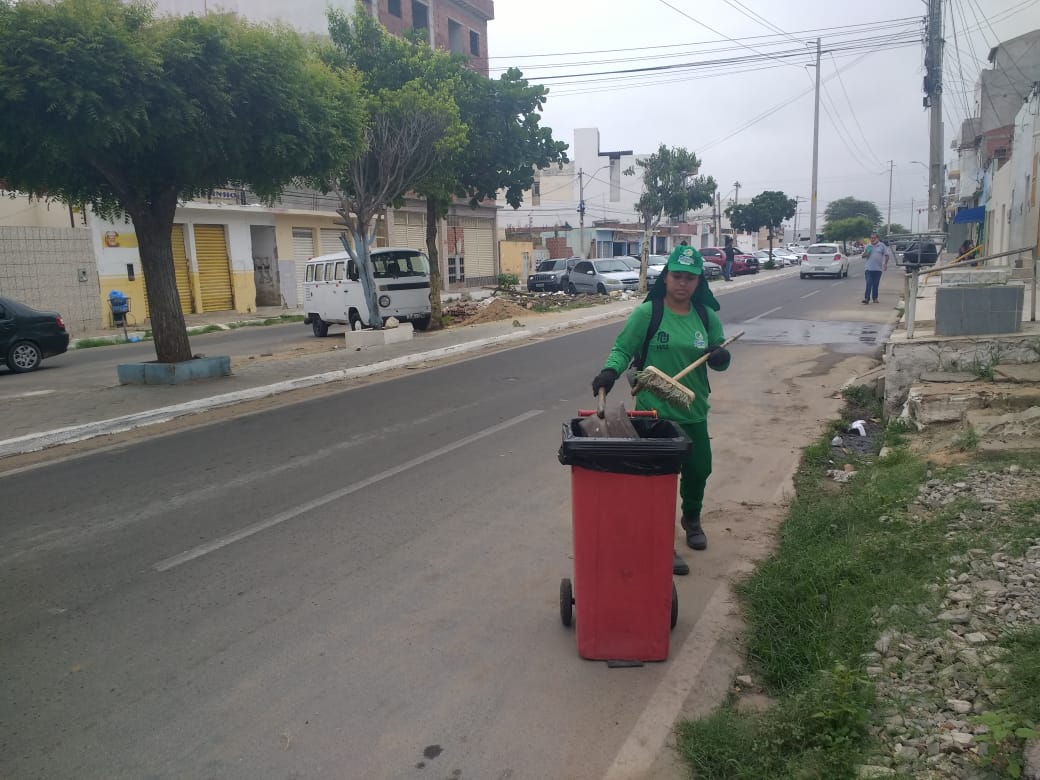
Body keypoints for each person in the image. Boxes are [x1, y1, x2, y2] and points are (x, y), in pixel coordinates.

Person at [590, 245, 731, 576]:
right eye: (677, 276)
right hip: (654, 414)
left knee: (699, 470)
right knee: (659, 481)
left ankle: (691, 518)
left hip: (693, 409)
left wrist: (721, 357)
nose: (683, 283)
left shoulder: (705, 316)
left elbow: (720, 356)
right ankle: (661, 541)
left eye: (690, 278)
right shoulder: (647, 314)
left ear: (698, 282)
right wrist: (610, 372)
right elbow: (623, 348)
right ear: (666, 277)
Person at [862, 232, 889, 304]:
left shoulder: (882, 246)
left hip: (878, 269)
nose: (872, 239)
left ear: (877, 238)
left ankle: (875, 298)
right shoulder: (868, 246)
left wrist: (885, 264)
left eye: (874, 238)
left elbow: (886, 255)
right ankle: (867, 298)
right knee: (868, 283)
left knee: (875, 284)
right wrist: (866, 253)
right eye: (871, 238)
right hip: (868, 268)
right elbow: (863, 256)